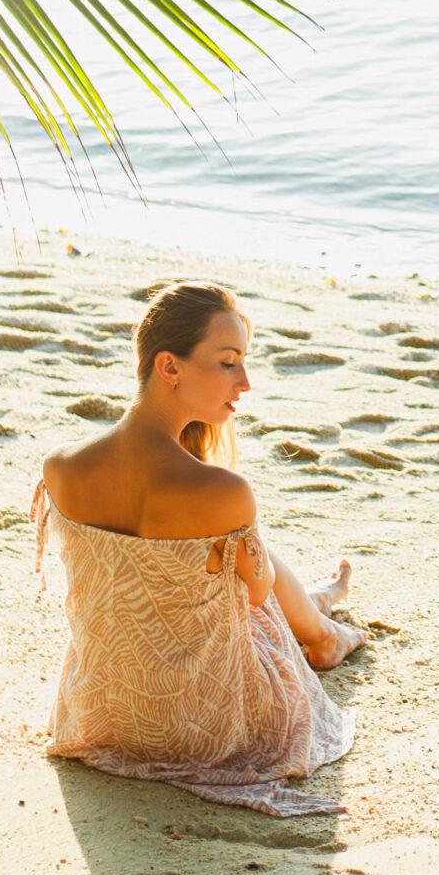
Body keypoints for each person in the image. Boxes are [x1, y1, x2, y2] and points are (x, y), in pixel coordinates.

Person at [34, 281, 359, 815]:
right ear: (170, 367)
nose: (245, 381)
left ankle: (322, 606)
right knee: (250, 558)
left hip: (100, 718)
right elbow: (258, 598)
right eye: (229, 362)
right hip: (211, 731)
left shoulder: (60, 466)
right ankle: (327, 632)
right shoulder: (221, 491)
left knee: (226, 549)